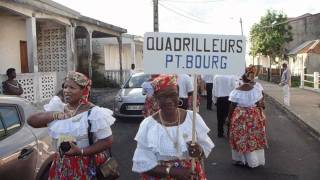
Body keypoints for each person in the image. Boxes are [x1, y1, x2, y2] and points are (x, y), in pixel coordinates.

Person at [27, 71, 115, 179]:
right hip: (61, 165)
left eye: (72, 88)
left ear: (83, 90)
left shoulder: (94, 113)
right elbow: (31, 121)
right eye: (65, 87)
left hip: (87, 166)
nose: (66, 91)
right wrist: (55, 115)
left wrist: (81, 151)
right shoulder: (59, 108)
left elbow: (107, 141)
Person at [132, 75, 214, 180]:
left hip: (191, 175)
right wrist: (170, 171)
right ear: (156, 98)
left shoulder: (192, 118)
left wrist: (199, 150)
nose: (168, 100)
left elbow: (204, 149)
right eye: (163, 96)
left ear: (179, 94)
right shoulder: (148, 125)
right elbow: (142, 164)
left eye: (172, 95)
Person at [227, 70, 267, 168]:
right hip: (253, 117)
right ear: (249, 79)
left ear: (241, 80)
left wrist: (229, 118)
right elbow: (259, 104)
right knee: (252, 137)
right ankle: (253, 161)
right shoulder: (255, 90)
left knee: (239, 137)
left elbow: (232, 106)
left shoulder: (236, 91)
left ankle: (240, 160)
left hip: (239, 116)